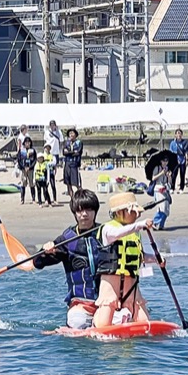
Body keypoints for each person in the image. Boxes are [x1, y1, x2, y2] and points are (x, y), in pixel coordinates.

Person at [34, 189, 104, 329]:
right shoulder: (67, 240)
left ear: (95, 211)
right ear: (74, 213)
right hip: (81, 303)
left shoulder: (106, 234)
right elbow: (38, 263)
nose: (84, 214)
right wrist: (44, 251)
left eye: (89, 209)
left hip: (106, 302)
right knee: (77, 323)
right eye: (80, 210)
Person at [91, 192, 162, 329]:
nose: (138, 215)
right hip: (111, 283)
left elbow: (141, 256)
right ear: (120, 212)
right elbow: (117, 234)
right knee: (104, 320)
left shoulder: (134, 232)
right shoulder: (108, 229)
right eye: (134, 212)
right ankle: (96, 322)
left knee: (143, 319)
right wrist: (140, 225)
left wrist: (157, 259)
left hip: (131, 284)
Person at [150, 156, 173, 230]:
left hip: (165, 189)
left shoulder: (167, 168)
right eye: (164, 160)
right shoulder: (157, 168)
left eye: (167, 161)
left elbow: (169, 182)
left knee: (166, 210)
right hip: (158, 189)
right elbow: (153, 178)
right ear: (161, 161)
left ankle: (161, 225)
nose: (165, 162)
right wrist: (161, 173)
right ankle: (154, 222)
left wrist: (169, 177)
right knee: (161, 208)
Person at [43, 122, 62, 203]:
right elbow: (45, 140)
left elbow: (61, 140)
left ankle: (54, 199)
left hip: (55, 152)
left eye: (53, 124)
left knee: (54, 171)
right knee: (45, 184)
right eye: (51, 124)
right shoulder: (47, 132)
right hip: (48, 154)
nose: (52, 126)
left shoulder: (59, 132)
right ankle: (46, 199)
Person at [62, 127, 83, 196]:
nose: (71, 134)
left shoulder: (79, 142)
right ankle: (72, 197)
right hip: (67, 163)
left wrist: (69, 152)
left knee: (77, 182)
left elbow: (78, 152)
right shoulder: (66, 142)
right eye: (70, 133)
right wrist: (72, 152)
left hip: (74, 163)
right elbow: (64, 152)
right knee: (68, 182)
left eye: (72, 133)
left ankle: (81, 195)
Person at [17, 136, 37, 204]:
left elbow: (35, 160)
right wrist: (23, 167)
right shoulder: (21, 150)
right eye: (26, 142)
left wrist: (30, 167)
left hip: (30, 169)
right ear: (24, 143)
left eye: (28, 142)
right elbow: (19, 160)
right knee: (23, 184)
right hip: (23, 170)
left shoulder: (33, 150)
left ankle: (33, 199)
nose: (27, 143)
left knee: (32, 184)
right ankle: (22, 199)